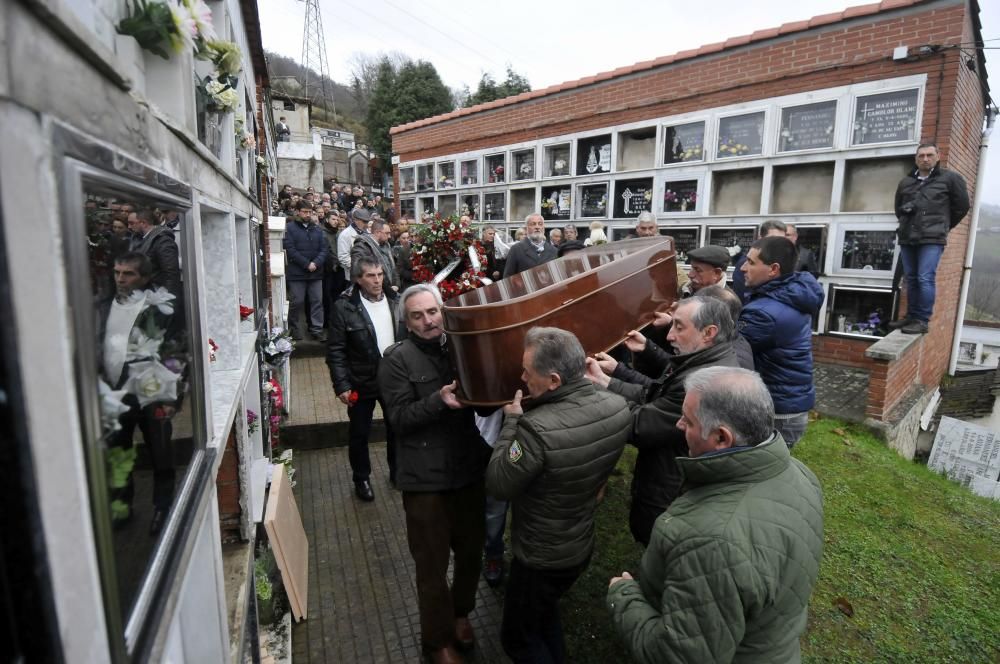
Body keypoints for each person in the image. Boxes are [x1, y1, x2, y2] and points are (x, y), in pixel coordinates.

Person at [607, 367, 824, 664]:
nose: (679, 425)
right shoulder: (800, 475)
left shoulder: (710, 540)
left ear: (721, 438)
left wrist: (624, 597)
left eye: (689, 420)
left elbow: (679, 656)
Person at [487, 327, 630, 663]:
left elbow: (498, 483)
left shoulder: (536, 429)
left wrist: (511, 424)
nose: (522, 378)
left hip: (540, 557)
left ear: (553, 380)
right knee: (543, 613)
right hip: (579, 542)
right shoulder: (618, 407)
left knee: (518, 638)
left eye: (527, 372)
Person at [377, 285, 491, 663]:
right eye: (418, 315)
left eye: (432, 312)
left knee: (472, 553)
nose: (428, 321)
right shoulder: (396, 360)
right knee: (432, 565)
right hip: (425, 480)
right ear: (406, 323)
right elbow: (398, 420)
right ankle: (437, 640)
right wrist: (437, 401)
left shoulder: (460, 346)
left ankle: (461, 614)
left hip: (468, 470)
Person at [586, 296, 740, 545]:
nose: (669, 336)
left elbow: (640, 426)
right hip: (672, 475)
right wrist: (608, 379)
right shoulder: (704, 360)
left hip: (669, 486)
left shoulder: (702, 382)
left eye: (679, 327)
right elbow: (659, 393)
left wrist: (591, 391)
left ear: (709, 332)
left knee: (659, 544)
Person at [100, 253, 182, 535]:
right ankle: (122, 507)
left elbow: (175, 352)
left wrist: (173, 398)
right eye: (117, 272)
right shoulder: (102, 308)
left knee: (160, 451)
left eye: (128, 274)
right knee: (118, 452)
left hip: (152, 394)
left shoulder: (160, 308)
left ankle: (163, 508)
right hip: (114, 395)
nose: (121, 279)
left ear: (145, 278)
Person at [739, 236, 824, 447]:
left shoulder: (765, 313)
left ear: (773, 269)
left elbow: (728, 347)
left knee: (758, 473)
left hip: (777, 413)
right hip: (787, 406)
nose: (742, 268)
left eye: (751, 262)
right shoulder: (790, 293)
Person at [327, 258, 401, 500]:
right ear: (358, 279)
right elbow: (336, 350)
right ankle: (362, 479)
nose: (377, 280)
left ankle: (398, 471)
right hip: (361, 380)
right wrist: (342, 385)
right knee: (360, 433)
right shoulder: (344, 307)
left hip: (393, 379)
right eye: (371, 276)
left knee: (397, 427)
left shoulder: (395, 301)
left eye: (380, 274)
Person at [890, 142, 970, 335]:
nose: (925, 159)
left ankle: (922, 320)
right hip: (908, 237)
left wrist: (943, 226)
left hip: (932, 238)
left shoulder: (950, 179)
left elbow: (962, 207)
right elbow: (898, 208)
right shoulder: (906, 182)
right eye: (921, 156)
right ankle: (911, 316)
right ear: (916, 159)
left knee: (925, 277)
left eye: (929, 155)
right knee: (911, 278)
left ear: (938, 157)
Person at [284, 202, 328, 341]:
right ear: (297, 212)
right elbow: (290, 249)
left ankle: (316, 329)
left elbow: (324, 249)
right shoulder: (290, 228)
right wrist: (306, 263)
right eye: (304, 211)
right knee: (297, 302)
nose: (307, 214)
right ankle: (295, 329)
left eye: (309, 212)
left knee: (317, 301)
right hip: (297, 273)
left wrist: (316, 263)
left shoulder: (317, 229)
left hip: (316, 272)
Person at [127, 208, 181, 297]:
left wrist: (169, 299)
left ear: (143, 223)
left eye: (132, 223)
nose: (129, 227)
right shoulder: (139, 239)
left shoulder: (162, 240)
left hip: (156, 293)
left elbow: (171, 273)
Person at [732, 220, 787, 304]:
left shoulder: (784, 261)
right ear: (760, 238)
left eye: (782, 240)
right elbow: (741, 298)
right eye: (773, 239)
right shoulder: (745, 264)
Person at [350, 218, 399, 292]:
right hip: (373, 292)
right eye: (387, 233)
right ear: (377, 232)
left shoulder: (386, 245)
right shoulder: (362, 246)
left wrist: (396, 285)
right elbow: (357, 273)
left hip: (389, 291)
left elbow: (393, 267)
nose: (389, 236)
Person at [336, 208, 370, 283]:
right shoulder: (345, 235)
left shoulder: (367, 232)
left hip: (368, 274)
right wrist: (359, 269)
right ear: (356, 220)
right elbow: (343, 257)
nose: (366, 224)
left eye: (367, 221)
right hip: (354, 275)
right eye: (364, 221)